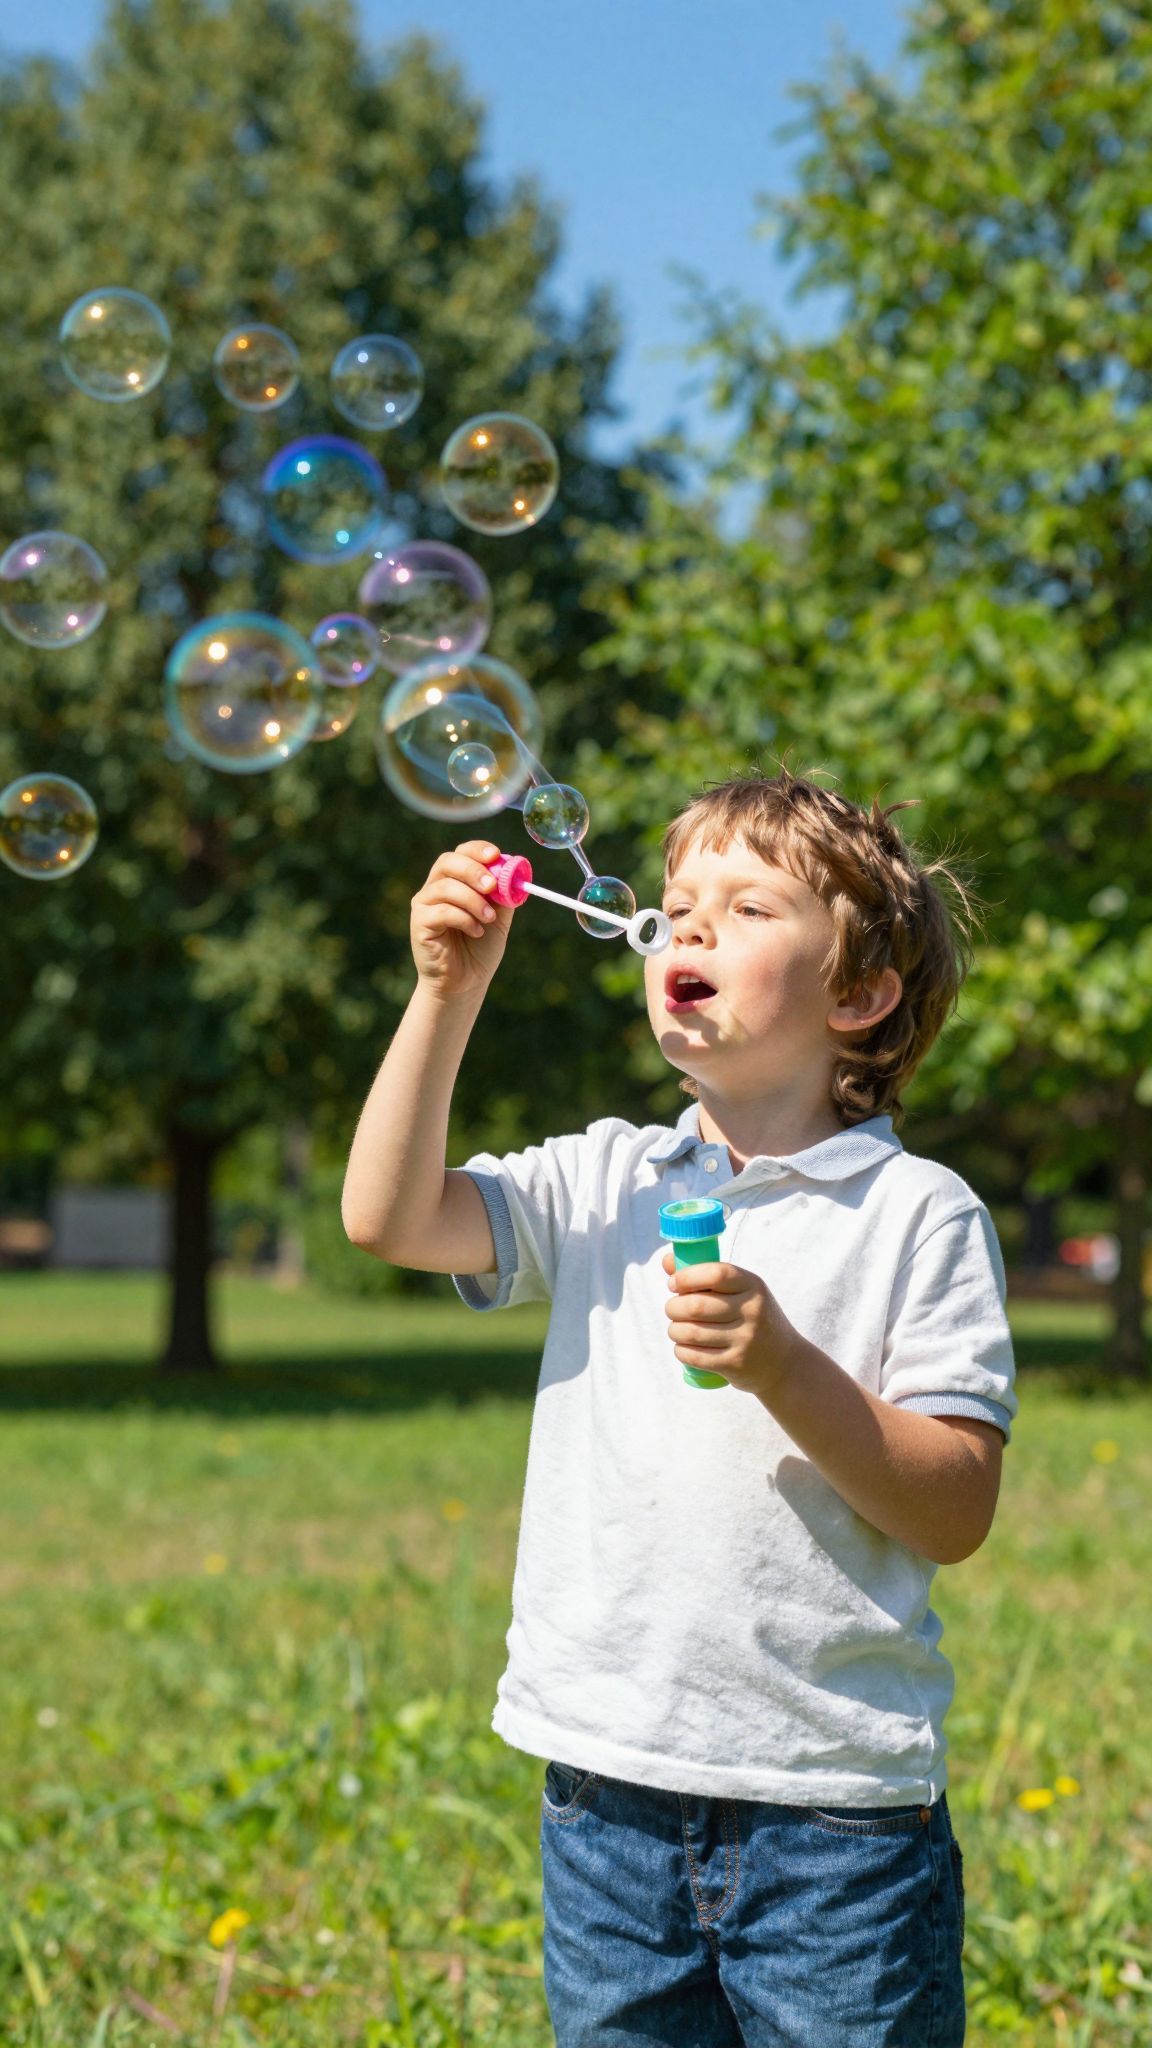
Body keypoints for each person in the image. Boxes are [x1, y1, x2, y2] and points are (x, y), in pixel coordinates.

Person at [342, 764, 1017, 2048]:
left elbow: (956, 1504)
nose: (688, 925)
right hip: (606, 1792)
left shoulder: (919, 1213)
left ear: (860, 995)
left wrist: (785, 1366)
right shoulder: (606, 1175)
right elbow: (386, 1215)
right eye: (676, 900)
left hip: (831, 1816)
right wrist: (446, 993)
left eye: (748, 907)